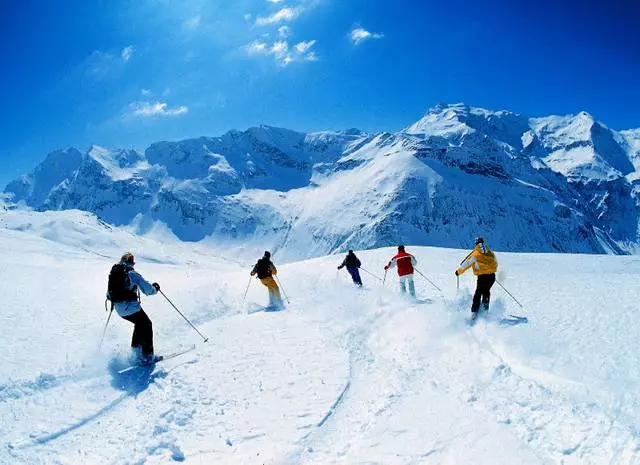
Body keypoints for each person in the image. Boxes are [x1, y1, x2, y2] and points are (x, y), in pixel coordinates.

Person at [107, 252, 161, 363]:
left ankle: (135, 354)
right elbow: (148, 290)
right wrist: (155, 288)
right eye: (133, 262)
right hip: (130, 308)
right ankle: (148, 356)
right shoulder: (132, 274)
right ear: (131, 262)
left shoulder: (115, 273)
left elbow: (108, 295)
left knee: (139, 324)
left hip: (119, 309)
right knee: (147, 324)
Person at [455, 237, 498, 319]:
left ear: (476, 244)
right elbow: (495, 263)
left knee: (478, 293)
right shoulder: (490, 252)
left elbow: (466, 264)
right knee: (486, 292)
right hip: (492, 276)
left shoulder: (475, 254)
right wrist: (489, 270)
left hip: (482, 277)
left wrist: (458, 272)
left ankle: (474, 313)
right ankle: (485, 312)